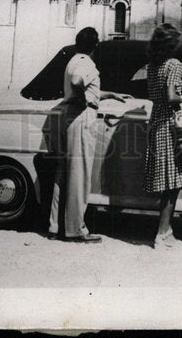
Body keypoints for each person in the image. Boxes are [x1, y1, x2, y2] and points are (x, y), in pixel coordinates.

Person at [48, 26, 129, 242]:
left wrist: (109, 93)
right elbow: (77, 82)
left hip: (69, 117)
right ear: (95, 46)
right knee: (79, 174)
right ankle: (76, 229)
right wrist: (83, 101)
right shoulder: (86, 63)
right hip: (82, 117)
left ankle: (55, 226)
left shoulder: (74, 60)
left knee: (64, 174)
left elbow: (83, 86)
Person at [143, 23, 182, 249]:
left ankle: (167, 231)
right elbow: (172, 96)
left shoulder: (153, 65)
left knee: (167, 180)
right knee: (172, 181)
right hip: (171, 124)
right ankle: (162, 233)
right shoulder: (174, 64)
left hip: (157, 121)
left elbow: (156, 94)